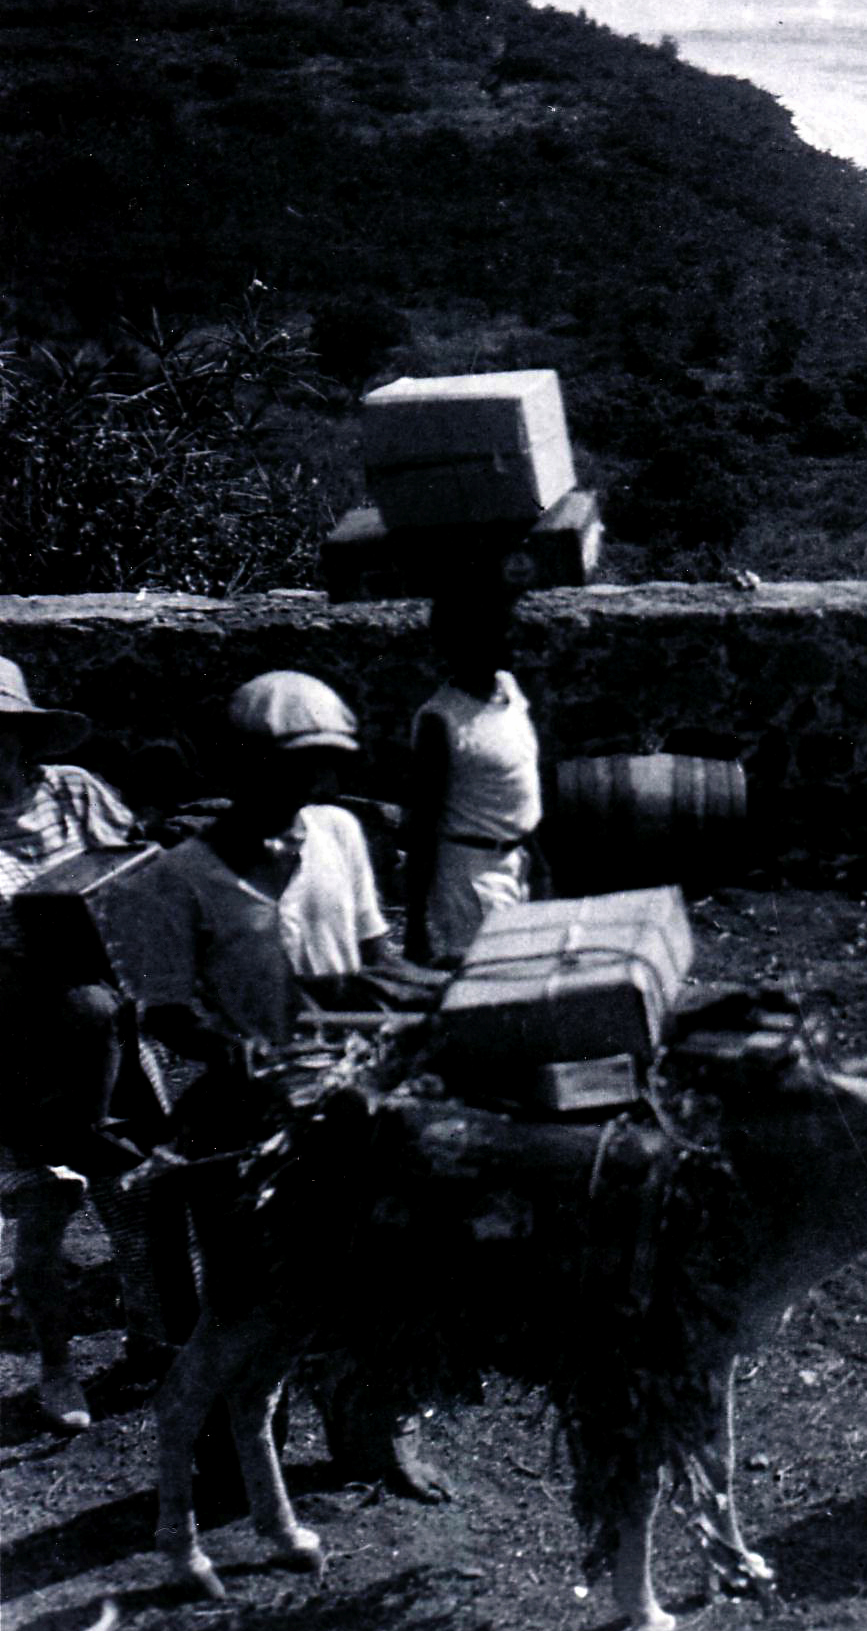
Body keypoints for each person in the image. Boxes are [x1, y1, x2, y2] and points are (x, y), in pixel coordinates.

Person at [110, 669, 449, 1498]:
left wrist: (447, 991)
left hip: (352, 1085)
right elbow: (164, 1011)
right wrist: (238, 1047)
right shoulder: (177, 876)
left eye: (324, 766)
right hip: (251, 1110)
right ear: (239, 766)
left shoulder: (337, 831)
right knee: (254, 1293)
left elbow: (374, 957)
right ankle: (235, 1455)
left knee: (389, 1265)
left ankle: (372, 1424)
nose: (314, 785)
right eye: (291, 767)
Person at [0, 656, 146, 1432]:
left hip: (107, 1027)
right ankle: (58, 1368)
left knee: (137, 1194)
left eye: (4, 733)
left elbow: (136, 874)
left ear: (26, 738)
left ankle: (154, 1341)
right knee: (44, 1211)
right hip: (15, 1047)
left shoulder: (76, 791)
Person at [405, 592, 543, 967]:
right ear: (463, 644)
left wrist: (537, 860)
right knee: (487, 986)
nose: (512, 640)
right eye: (499, 633)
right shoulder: (441, 720)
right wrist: (415, 926)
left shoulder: (510, 692)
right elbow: (421, 822)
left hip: (518, 862)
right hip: (471, 876)